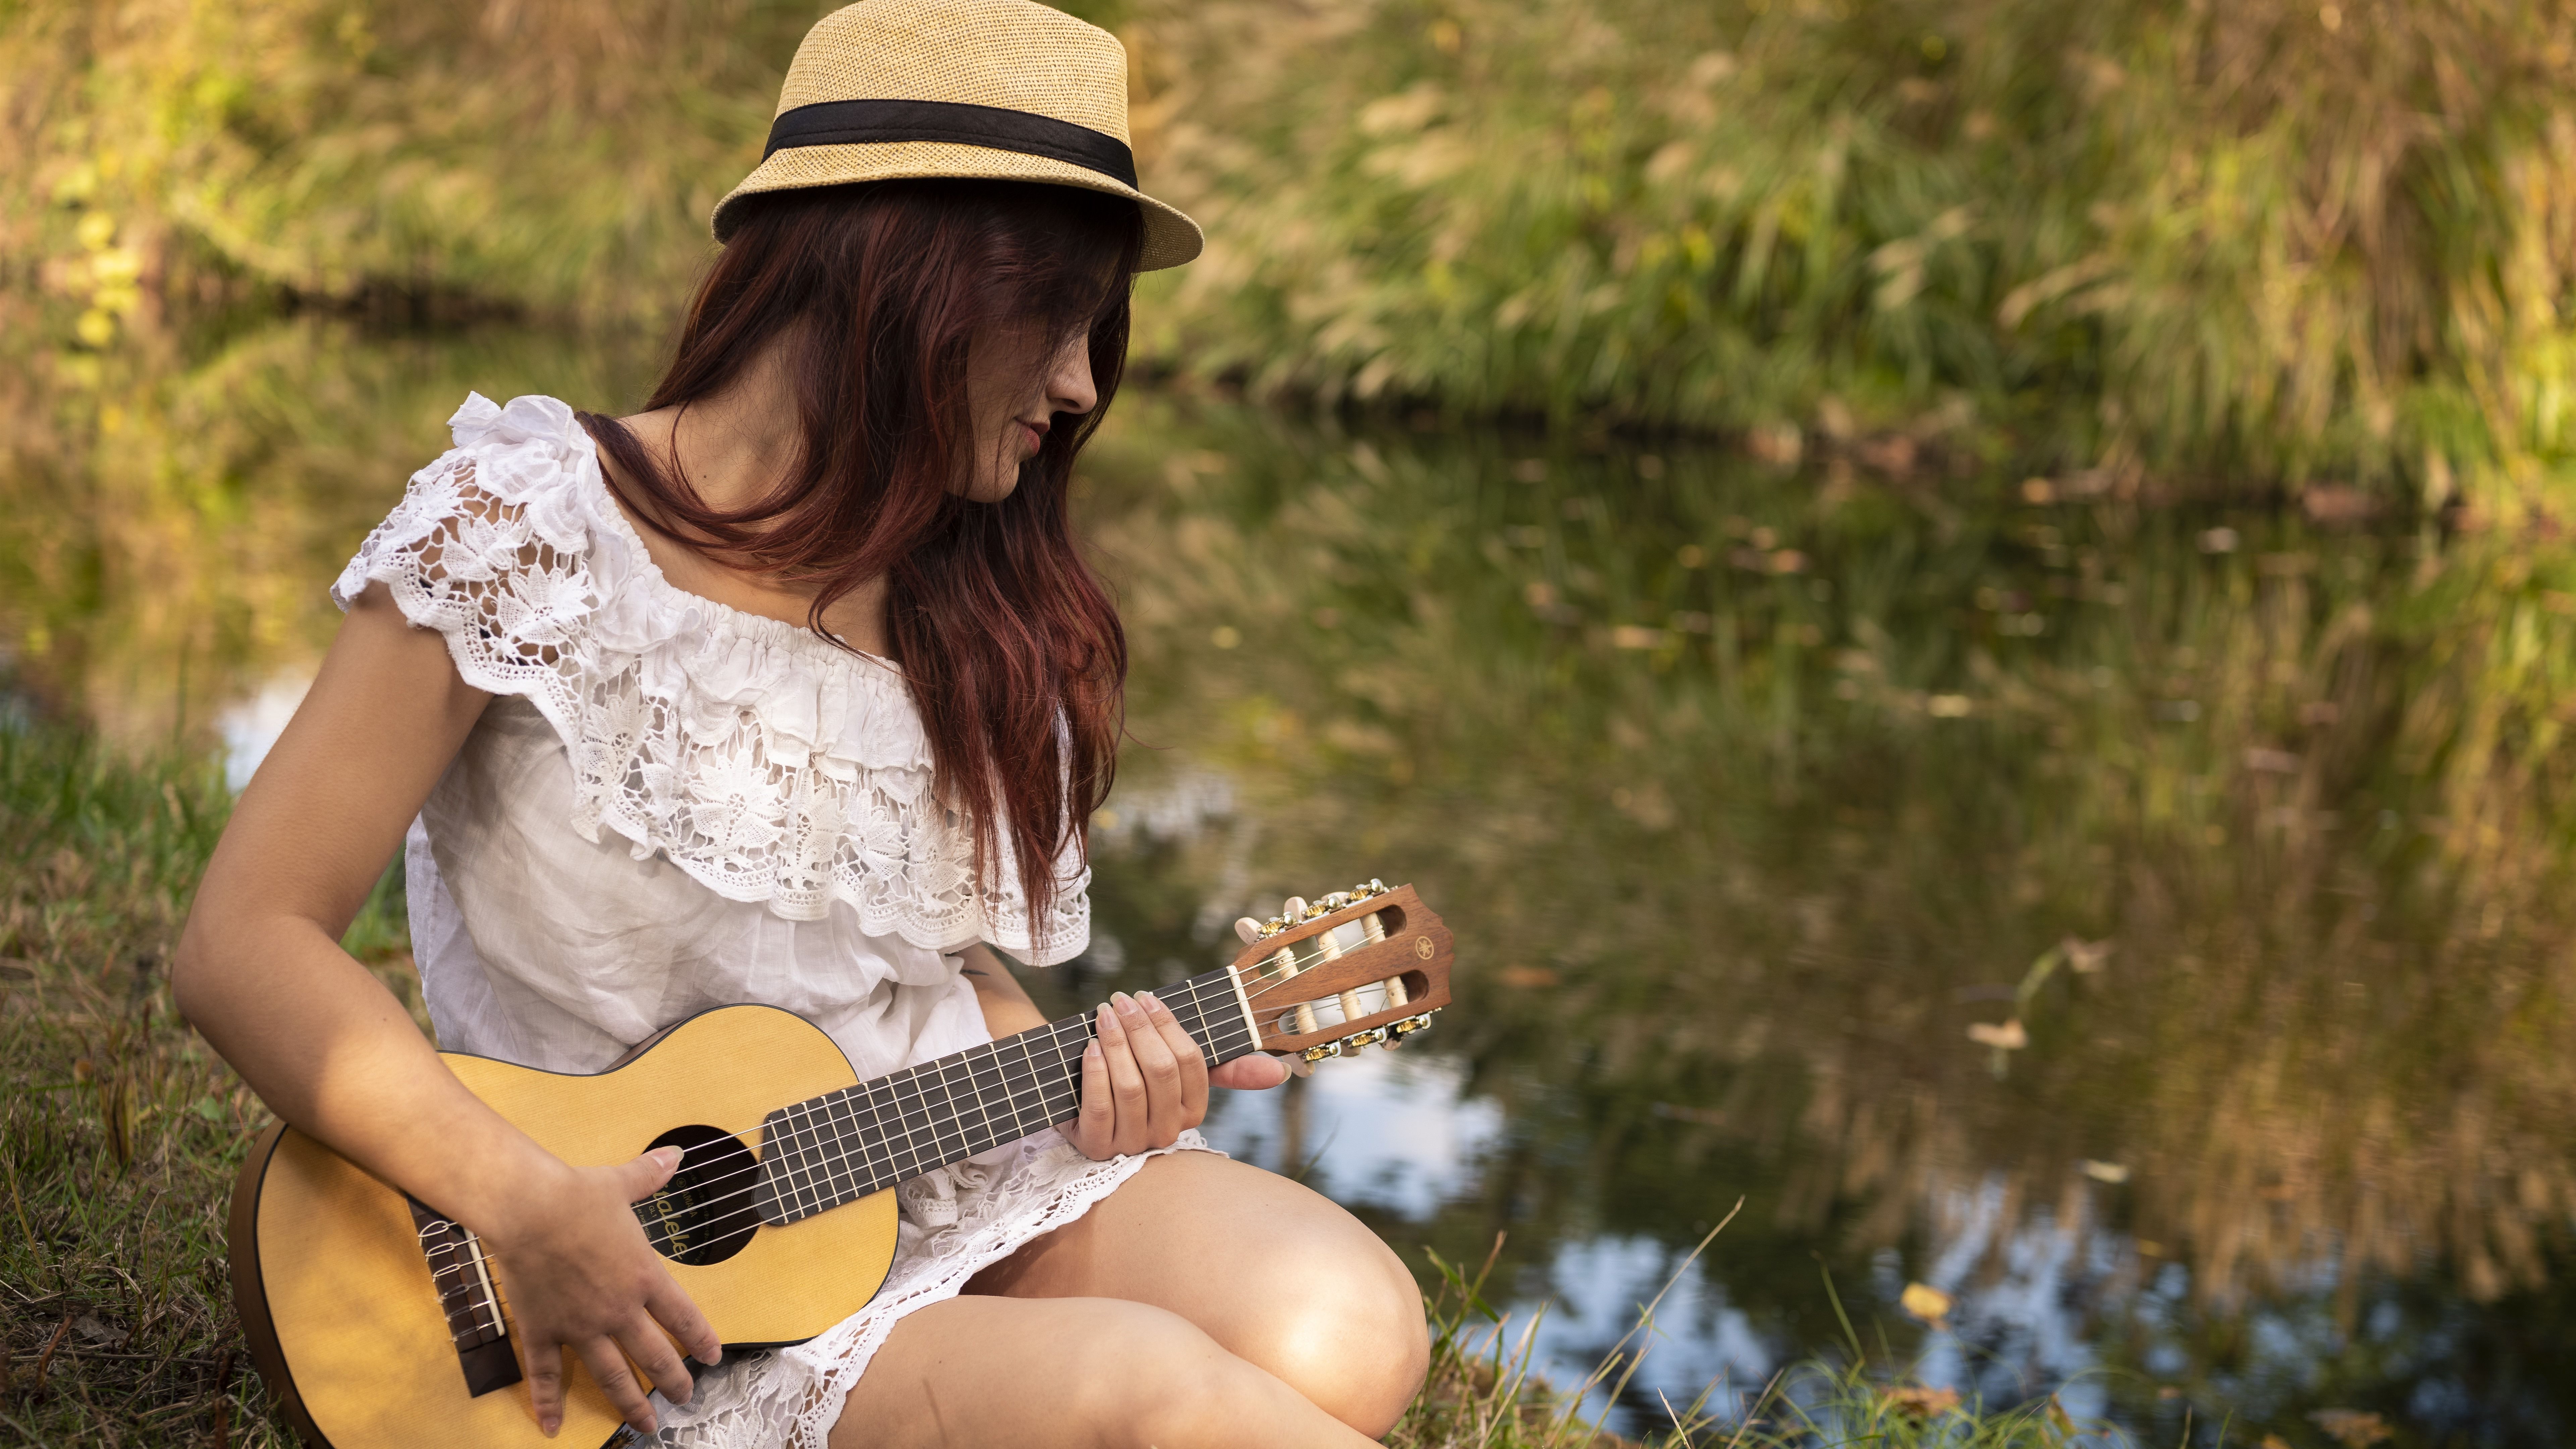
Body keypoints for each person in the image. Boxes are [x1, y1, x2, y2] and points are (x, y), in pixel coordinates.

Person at [171, 3, 1429, 1445]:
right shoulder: (530, 530)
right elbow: (240, 941)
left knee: (1352, 1328)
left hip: (921, 1166)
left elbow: (943, 970)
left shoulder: (977, 603)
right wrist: (525, 1203)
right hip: (635, 1276)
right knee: (1154, 1399)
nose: (1084, 385)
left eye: (1100, 330)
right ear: (905, 276)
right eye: (1055, 314)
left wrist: (1095, 1086)